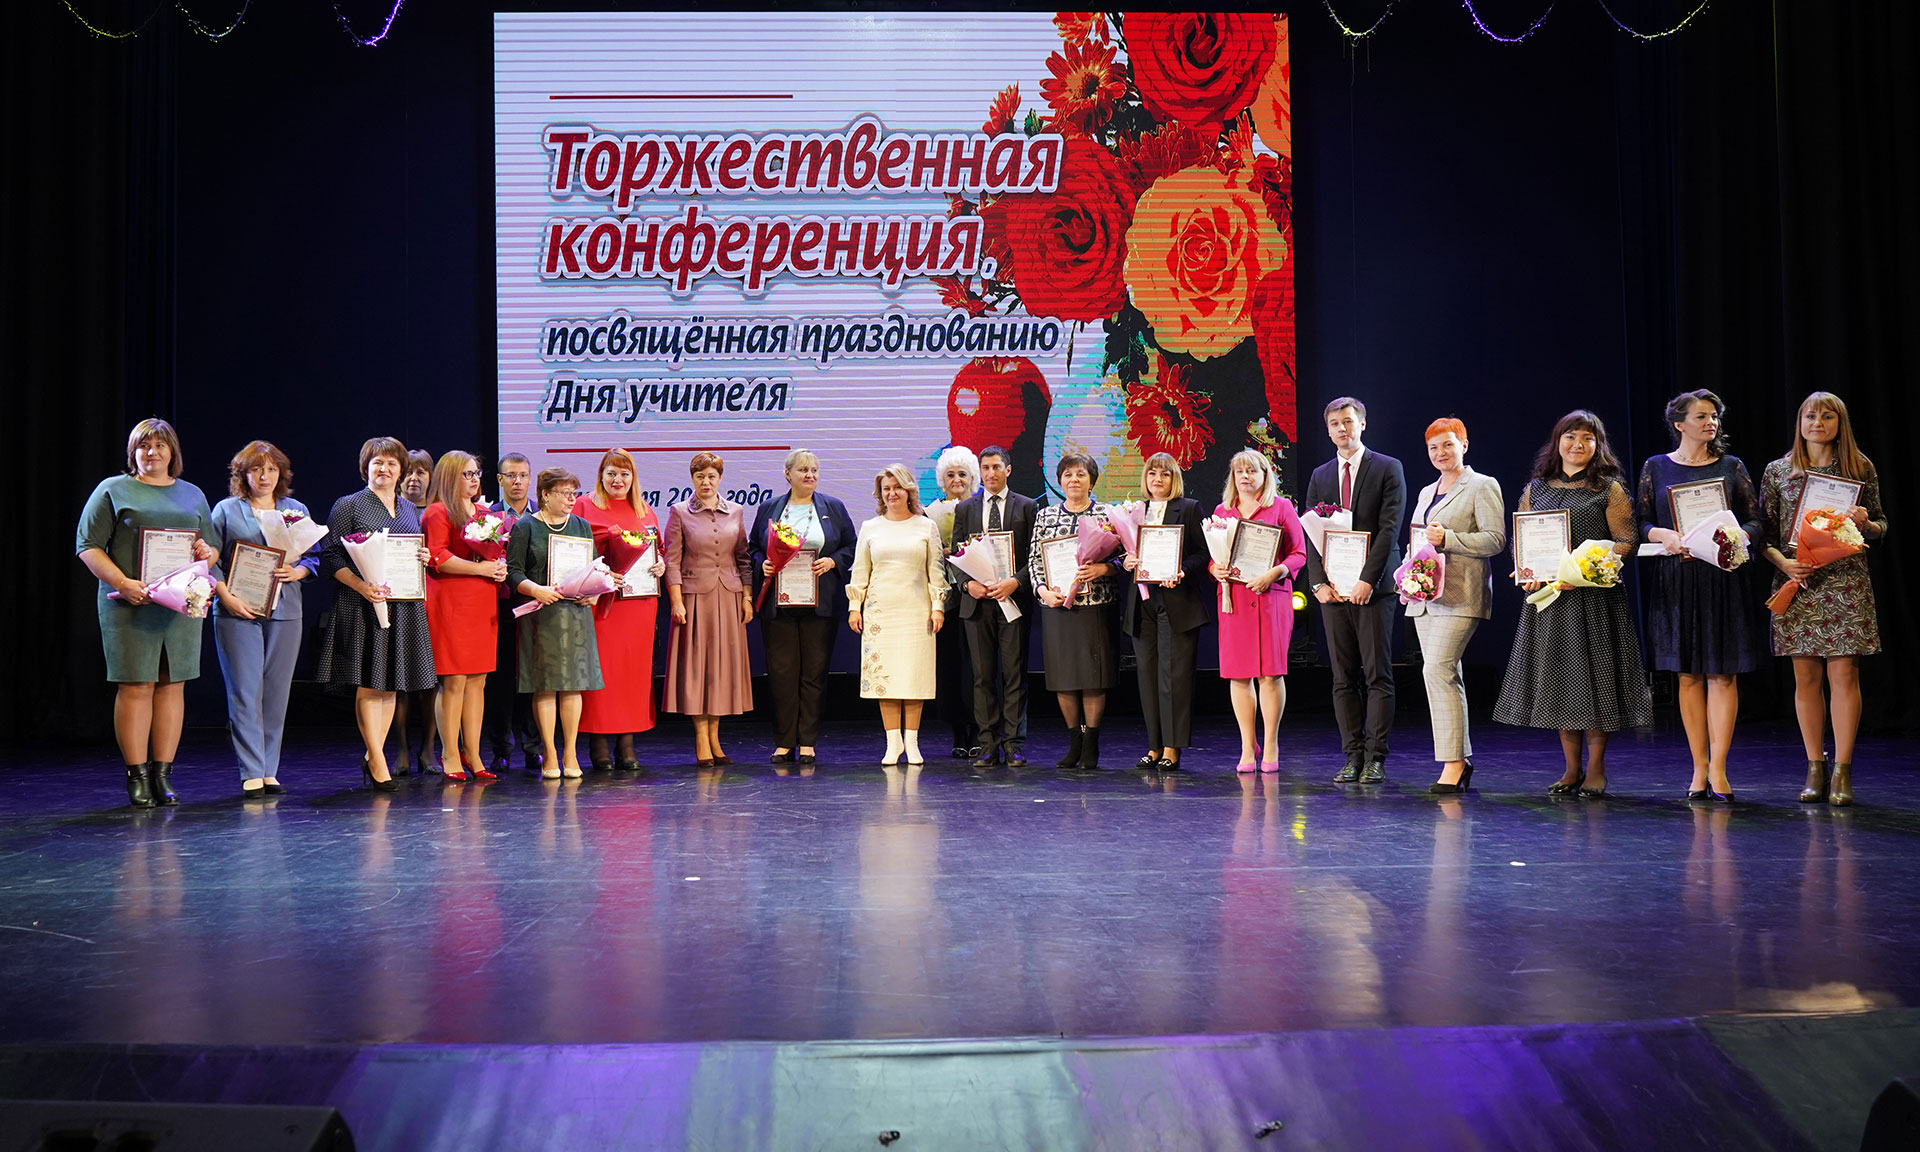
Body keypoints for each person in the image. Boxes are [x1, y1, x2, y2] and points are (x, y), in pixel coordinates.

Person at [1493, 410, 1652, 796]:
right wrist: (1527, 569)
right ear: (1557, 442)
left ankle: (1596, 768)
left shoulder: (1609, 488)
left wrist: (1585, 566)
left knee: (1596, 683)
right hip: (1551, 601)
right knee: (1562, 682)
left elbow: (1626, 541)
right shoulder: (1537, 488)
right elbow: (1522, 539)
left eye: (1587, 438)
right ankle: (1570, 768)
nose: (1578, 444)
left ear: (1598, 445)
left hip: (1594, 599)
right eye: (1570, 437)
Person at [76, 418, 222, 807]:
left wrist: (206, 553)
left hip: (179, 605)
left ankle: (162, 775)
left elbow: (211, 547)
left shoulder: (192, 493)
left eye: (159, 445)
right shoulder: (112, 489)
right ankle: (137, 775)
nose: (151, 452)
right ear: (133, 453)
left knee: (173, 685)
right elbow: (88, 545)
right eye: (143, 446)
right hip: (129, 603)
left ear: (172, 452)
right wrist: (123, 582)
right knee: (137, 686)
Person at [1637, 389, 1765, 803]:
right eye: (1702, 416)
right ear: (1679, 424)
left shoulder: (1731, 466)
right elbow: (1641, 522)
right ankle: (1698, 767)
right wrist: (1661, 534)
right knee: (1687, 674)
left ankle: (1720, 768)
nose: (1711, 423)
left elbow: (1756, 520)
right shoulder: (1656, 467)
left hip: (1722, 579)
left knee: (1722, 674)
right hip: (1677, 580)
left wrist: (1737, 535)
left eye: (1714, 416)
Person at [1759, 392, 1886, 807]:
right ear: (1800, 422)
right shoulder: (1778, 471)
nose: (1817, 423)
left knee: (1844, 675)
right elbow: (1764, 534)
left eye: (1827, 416)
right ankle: (1815, 765)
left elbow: (1881, 524)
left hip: (1846, 581)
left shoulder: (1859, 467)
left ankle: (1843, 770)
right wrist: (1785, 564)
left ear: (1839, 423)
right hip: (1800, 581)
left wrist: (1866, 523)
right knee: (1806, 678)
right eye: (1810, 416)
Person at [316, 436, 438, 791]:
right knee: (370, 683)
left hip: (402, 606)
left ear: (401, 471)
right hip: (362, 603)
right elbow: (330, 556)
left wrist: (423, 557)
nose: (384, 469)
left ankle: (374, 755)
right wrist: (361, 585)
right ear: (365, 468)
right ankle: (378, 760)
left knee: (389, 686)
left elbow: (411, 549)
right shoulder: (349, 504)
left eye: (391, 464)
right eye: (377, 463)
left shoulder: (409, 509)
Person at [1303, 397, 1406, 784]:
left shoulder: (1387, 467)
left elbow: (1389, 529)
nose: (1341, 428)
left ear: (1362, 424)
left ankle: (1376, 757)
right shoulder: (1320, 475)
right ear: (1328, 430)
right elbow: (1311, 533)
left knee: (1378, 674)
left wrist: (1367, 579)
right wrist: (1318, 583)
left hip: (1373, 590)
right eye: (1334, 423)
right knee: (1342, 677)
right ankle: (1352, 756)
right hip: (1333, 591)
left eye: (1347, 421)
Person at [210, 440, 321, 798]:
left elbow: (314, 556)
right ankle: (251, 770)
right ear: (243, 474)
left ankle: (269, 769)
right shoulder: (227, 510)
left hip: (286, 609)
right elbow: (209, 560)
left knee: (276, 691)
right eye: (257, 469)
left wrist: (299, 571)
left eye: (272, 469)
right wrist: (224, 595)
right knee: (245, 691)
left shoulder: (295, 509)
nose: (265, 476)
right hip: (238, 610)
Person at [1403, 419, 1506, 794]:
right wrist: (1407, 572)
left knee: (1437, 669)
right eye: (1433, 447)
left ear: (1464, 444)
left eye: (1447, 444)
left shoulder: (1482, 485)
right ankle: (1458, 760)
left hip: (1462, 593)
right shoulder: (1426, 491)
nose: (1440, 453)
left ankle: (1453, 763)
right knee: (1444, 675)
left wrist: (1449, 538)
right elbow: (1419, 540)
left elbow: (1495, 540)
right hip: (1425, 595)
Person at [750, 449, 857, 766]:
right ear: (788, 475)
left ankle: (808, 742)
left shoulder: (833, 507)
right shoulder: (770, 509)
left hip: (819, 604)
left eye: (814, 470)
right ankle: (784, 742)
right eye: (803, 470)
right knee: (782, 675)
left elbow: (852, 545)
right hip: (779, 605)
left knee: (813, 674)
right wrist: (762, 564)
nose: (810, 475)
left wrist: (833, 561)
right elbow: (753, 548)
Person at [1209, 450, 1308, 773]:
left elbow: (1299, 554)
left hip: (1270, 598)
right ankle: (1247, 746)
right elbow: (1214, 559)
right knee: (1239, 675)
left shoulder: (1281, 507)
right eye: (1239, 472)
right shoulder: (1222, 512)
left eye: (1252, 471)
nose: (1245, 477)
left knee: (1270, 674)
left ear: (1265, 475)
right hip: (1235, 601)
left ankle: (1272, 743)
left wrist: (1275, 573)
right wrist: (1215, 569)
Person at [508, 467, 605, 779]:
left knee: (573, 686)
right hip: (542, 615)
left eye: (574, 493)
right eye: (565, 493)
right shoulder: (526, 526)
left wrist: (594, 593)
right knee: (546, 687)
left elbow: (593, 568)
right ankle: (549, 752)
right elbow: (513, 572)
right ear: (545, 495)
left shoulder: (581, 526)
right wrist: (536, 589)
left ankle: (570, 751)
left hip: (576, 615)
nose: (571, 499)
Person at [847, 464, 947, 765]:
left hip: (916, 612)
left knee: (914, 677)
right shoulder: (870, 527)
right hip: (881, 614)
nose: (892, 493)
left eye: (897, 487)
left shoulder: (926, 526)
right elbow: (860, 571)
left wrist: (938, 606)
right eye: (886, 489)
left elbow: (936, 571)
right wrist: (854, 607)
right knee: (886, 678)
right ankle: (893, 743)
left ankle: (912, 743)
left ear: (909, 490)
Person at [1119, 452, 1211, 770]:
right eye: (1152, 474)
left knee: (1175, 678)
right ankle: (1154, 746)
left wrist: (1182, 570)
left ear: (1175, 479)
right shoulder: (1135, 511)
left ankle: (1173, 748)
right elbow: (1122, 552)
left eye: (1165, 474)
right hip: (1142, 602)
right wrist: (1126, 561)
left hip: (1177, 601)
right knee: (1147, 677)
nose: (1158, 479)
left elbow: (1204, 553)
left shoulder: (1189, 508)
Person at [576, 448, 666, 772]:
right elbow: (574, 552)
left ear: (633, 478)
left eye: (624, 474)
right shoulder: (584, 505)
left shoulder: (645, 510)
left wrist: (660, 563)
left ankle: (627, 743)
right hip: (603, 606)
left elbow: (658, 549)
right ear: (600, 475)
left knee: (633, 675)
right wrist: (600, 574)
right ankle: (598, 743)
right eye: (611, 473)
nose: (618, 480)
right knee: (604, 672)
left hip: (639, 607)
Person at [1031, 452, 1121, 769]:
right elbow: (1034, 561)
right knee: (1064, 679)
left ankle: (1091, 744)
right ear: (1059, 481)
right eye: (1068, 474)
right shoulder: (1045, 516)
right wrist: (1043, 591)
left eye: (1081, 474)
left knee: (1093, 678)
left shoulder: (1107, 514)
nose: (1074, 480)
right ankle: (1075, 742)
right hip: (1057, 608)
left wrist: (1103, 569)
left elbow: (1126, 558)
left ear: (1092, 481)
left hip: (1095, 606)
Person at [422, 450, 507, 783]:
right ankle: (450, 753)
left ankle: (473, 753)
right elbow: (438, 557)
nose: (474, 479)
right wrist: (481, 569)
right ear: (449, 477)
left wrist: (498, 568)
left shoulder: (485, 513)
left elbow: (495, 553)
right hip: (451, 601)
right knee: (454, 681)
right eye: (467, 474)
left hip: (482, 601)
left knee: (478, 681)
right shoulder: (437, 511)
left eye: (476, 473)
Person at [663, 452, 753, 766]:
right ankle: (701, 738)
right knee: (698, 670)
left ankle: (715, 737)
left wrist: (747, 597)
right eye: (700, 476)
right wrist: (676, 601)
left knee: (720, 670)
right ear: (692, 479)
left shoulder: (736, 511)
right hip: (694, 599)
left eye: (711, 476)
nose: (706, 482)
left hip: (728, 596)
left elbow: (743, 558)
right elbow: (671, 561)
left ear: (720, 479)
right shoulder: (679, 512)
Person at [951, 445, 1037, 768]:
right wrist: (967, 585)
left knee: (1014, 674)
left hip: (1012, 600)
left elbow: (1034, 555)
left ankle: (1014, 743)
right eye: (985, 468)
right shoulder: (966, 509)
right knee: (982, 676)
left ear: (1008, 470)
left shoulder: (1027, 506)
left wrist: (1016, 582)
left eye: (996, 467)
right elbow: (956, 555)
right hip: (978, 604)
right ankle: (987, 743)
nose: (990, 473)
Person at [483, 453, 540, 772]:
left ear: (530, 479)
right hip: (498, 605)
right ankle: (501, 749)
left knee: (533, 678)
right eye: (511, 475)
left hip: (536, 604)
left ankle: (533, 747)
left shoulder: (543, 515)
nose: (517, 481)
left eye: (523, 475)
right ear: (500, 479)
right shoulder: (486, 517)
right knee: (500, 681)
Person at [924, 446, 982, 757]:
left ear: (973, 478)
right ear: (942, 480)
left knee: (978, 668)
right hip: (946, 600)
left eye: (962, 474)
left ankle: (980, 730)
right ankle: (958, 732)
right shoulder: (930, 514)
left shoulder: (982, 508)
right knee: (951, 668)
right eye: (950, 475)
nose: (956, 479)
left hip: (979, 596)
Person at [392, 447, 438, 771]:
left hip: (435, 603)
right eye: (408, 472)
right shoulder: (392, 511)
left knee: (431, 683)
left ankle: (429, 749)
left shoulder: (439, 511)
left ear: (431, 477)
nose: (413, 478)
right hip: (401, 601)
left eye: (420, 472)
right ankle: (401, 750)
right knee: (400, 682)